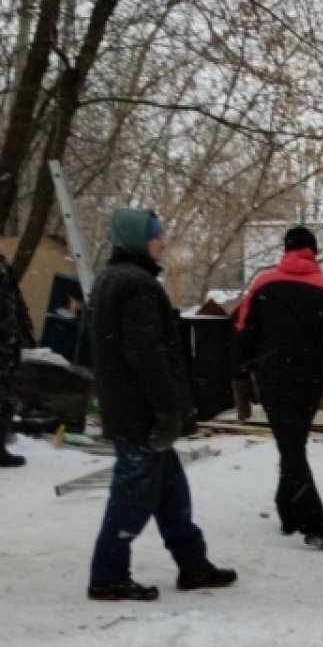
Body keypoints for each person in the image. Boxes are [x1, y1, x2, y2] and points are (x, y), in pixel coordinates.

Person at [87, 208, 236, 601]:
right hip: (143, 415)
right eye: (156, 236)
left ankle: (193, 566)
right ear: (137, 240)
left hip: (130, 409)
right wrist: (168, 411)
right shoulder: (137, 285)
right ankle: (107, 576)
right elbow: (146, 355)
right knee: (131, 498)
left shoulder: (111, 280)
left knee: (171, 493)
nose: (162, 242)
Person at [235, 226, 323, 550]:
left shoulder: (262, 285)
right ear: (313, 252)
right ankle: (313, 524)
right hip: (308, 380)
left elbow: (243, 333)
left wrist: (240, 380)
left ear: (286, 249)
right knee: (293, 446)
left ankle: (287, 509)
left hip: (271, 377)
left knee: (292, 446)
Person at [0, 243, 35, 468]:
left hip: (8, 345)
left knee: (7, 397)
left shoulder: (3, 265)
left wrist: (25, 330)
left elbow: (15, 302)